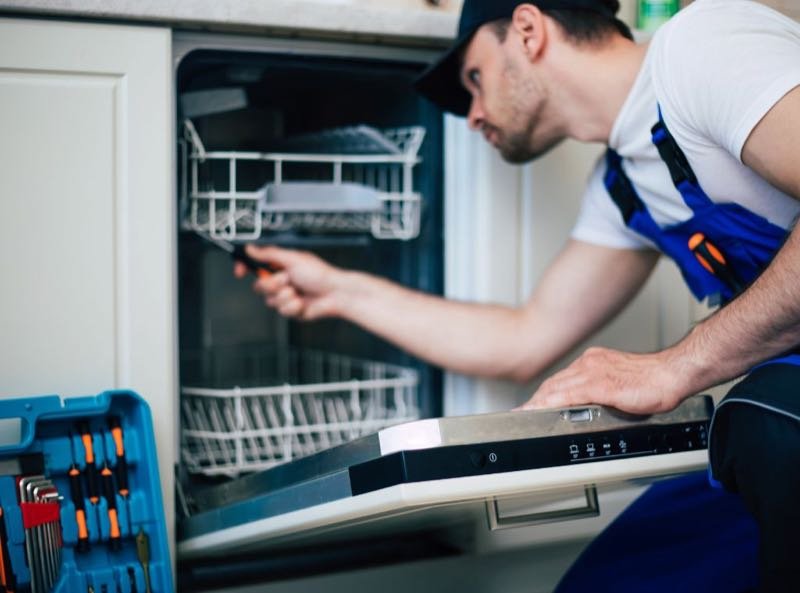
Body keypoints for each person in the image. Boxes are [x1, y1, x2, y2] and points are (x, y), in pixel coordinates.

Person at [235, 0, 800, 590]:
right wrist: (338, 290)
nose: (473, 116)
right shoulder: (623, 188)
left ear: (528, 31)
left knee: (758, 422)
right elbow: (523, 339)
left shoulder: (700, 47)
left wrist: (676, 365)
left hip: (774, 421)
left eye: (475, 79)